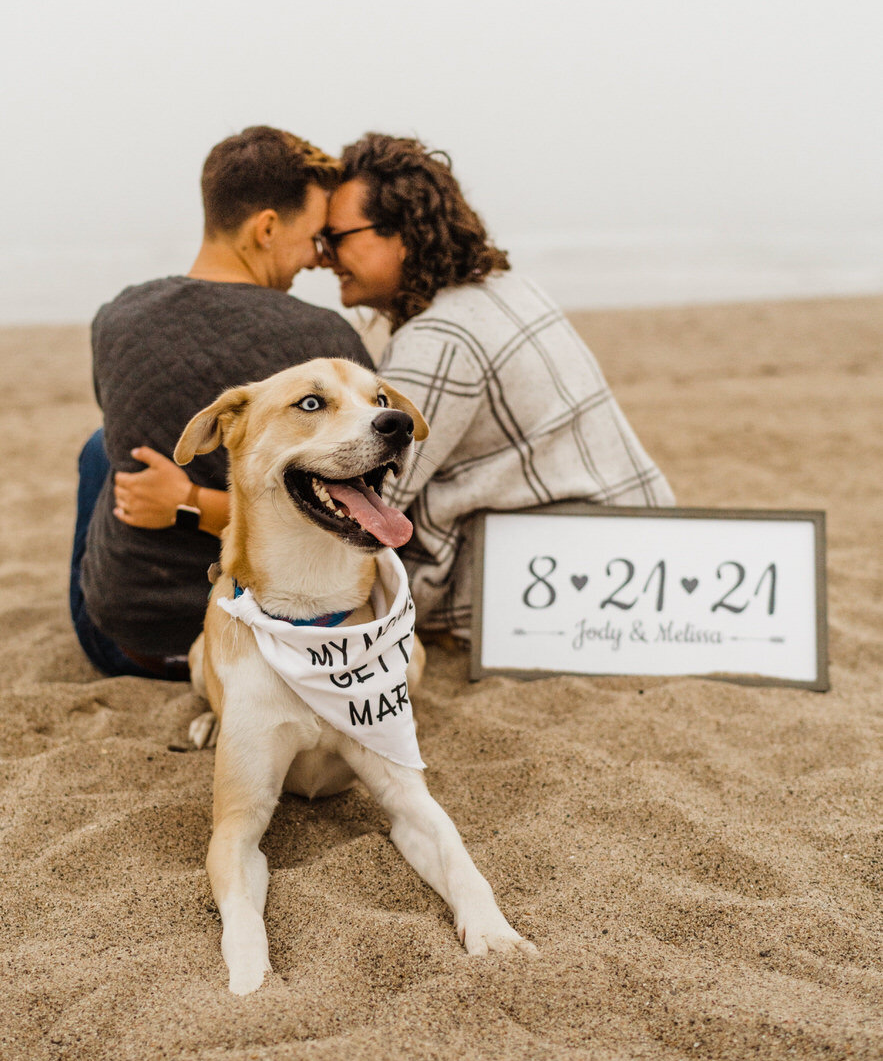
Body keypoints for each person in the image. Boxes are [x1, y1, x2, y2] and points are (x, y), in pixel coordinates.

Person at [114, 132, 673, 644]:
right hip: (640, 535)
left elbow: (361, 507)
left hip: (570, 575)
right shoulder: (501, 289)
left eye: (337, 237)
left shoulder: (441, 339)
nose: (323, 257)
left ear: (403, 235)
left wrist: (186, 502)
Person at [70, 126, 372, 680]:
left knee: (103, 446)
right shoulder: (322, 346)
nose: (318, 258)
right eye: (314, 236)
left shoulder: (116, 317)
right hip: (265, 653)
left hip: (122, 643)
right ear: (266, 228)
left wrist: (184, 501)